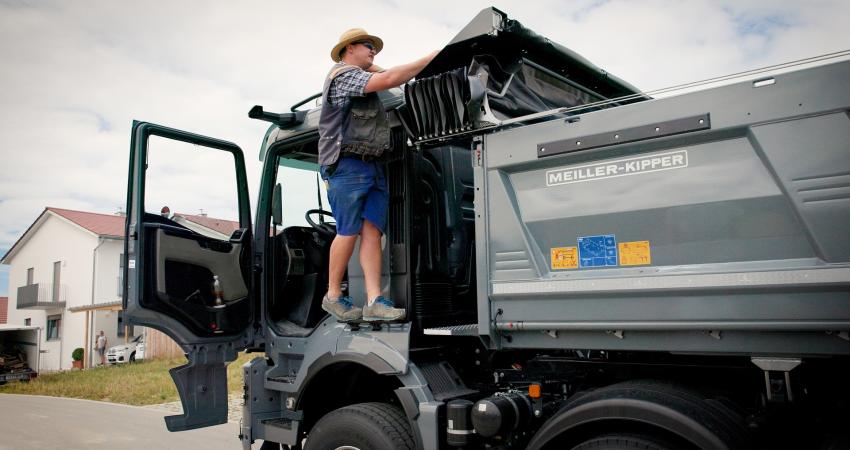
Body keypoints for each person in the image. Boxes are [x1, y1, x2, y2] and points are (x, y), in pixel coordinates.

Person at [319, 28, 437, 322]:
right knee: (347, 231)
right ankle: (333, 296)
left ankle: (374, 302)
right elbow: (387, 79)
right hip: (347, 165)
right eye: (369, 46)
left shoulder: (361, 75)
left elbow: (385, 75)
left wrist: (373, 63)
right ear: (349, 48)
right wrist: (431, 59)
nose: (374, 51)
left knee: (372, 231)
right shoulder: (342, 75)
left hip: (373, 165)